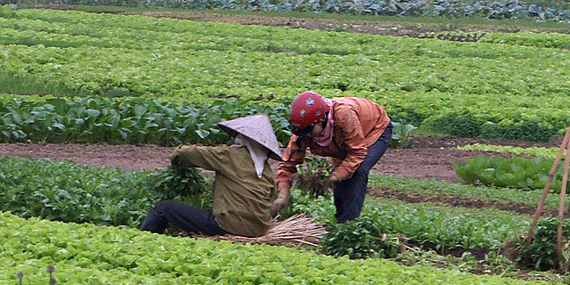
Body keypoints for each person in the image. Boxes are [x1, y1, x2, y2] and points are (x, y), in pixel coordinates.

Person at [141, 114, 282, 238]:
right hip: (258, 229)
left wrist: (177, 159)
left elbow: (182, 154)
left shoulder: (229, 155)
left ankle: (141, 242)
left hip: (229, 226)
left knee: (162, 209)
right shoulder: (267, 170)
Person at [271, 92, 393, 224]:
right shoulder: (304, 132)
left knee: (358, 170)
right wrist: (283, 195)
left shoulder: (344, 116)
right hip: (342, 139)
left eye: (310, 130)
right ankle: (340, 219)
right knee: (342, 173)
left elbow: (357, 153)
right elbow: (288, 164)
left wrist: (333, 177)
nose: (307, 135)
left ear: (322, 120)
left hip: (374, 129)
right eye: (303, 132)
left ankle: (349, 225)